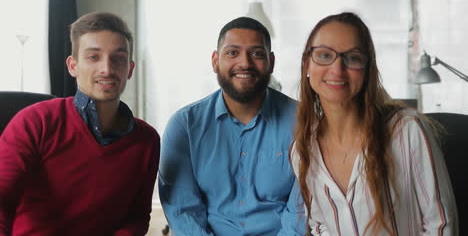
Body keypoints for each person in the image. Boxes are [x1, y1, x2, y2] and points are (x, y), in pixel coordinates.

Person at [291, 12, 458, 235]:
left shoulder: (407, 131)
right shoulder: (303, 151)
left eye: (352, 58)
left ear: (367, 69)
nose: (337, 69)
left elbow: (441, 225)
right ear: (306, 66)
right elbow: (319, 225)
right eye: (323, 55)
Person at [0, 12, 160, 235]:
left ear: (130, 69)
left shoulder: (147, 139)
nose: (107, 68)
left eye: (118, 58)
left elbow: (137, 218)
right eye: (93, 57)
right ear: (72, 66)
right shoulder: (35, 122)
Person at [158, 17, 306, 235]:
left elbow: (301, 212)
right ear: (215, 61)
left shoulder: (303, 122)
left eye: (256, 53)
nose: (245, 63)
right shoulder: (185, 126)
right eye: (232, 53)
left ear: (271, 61)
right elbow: (183, 211)